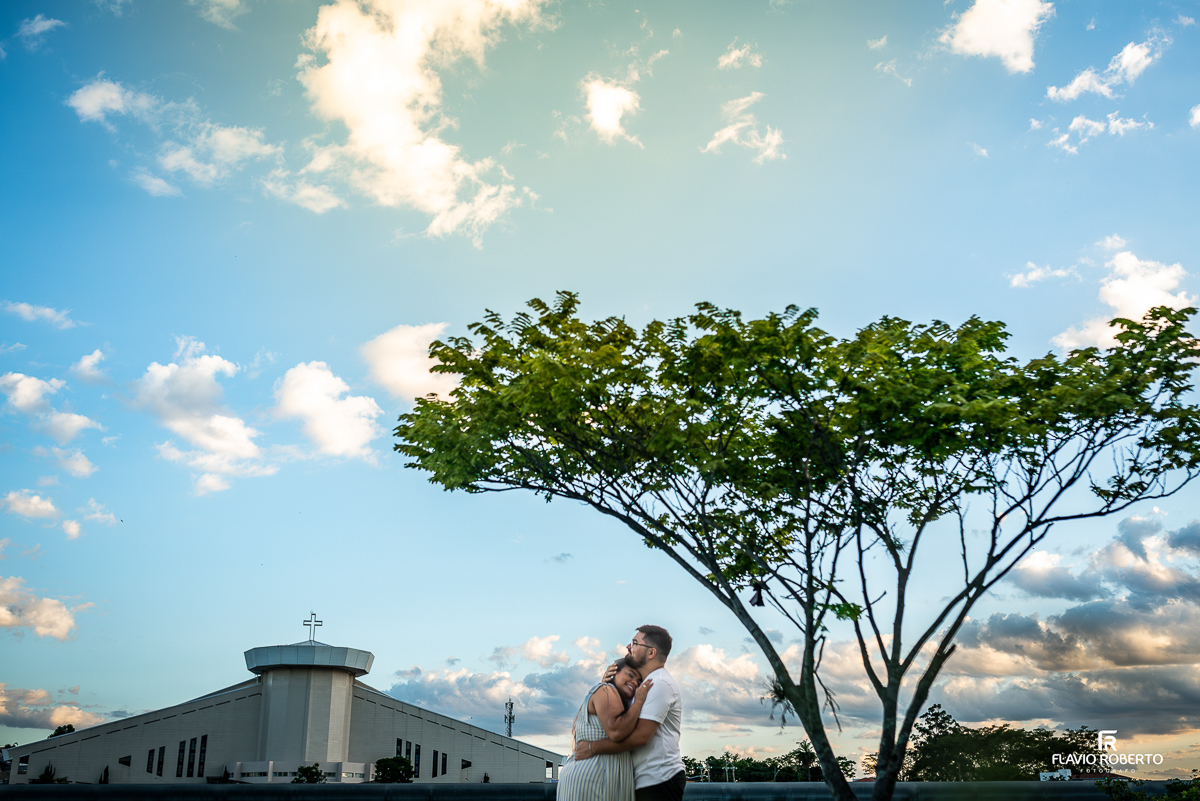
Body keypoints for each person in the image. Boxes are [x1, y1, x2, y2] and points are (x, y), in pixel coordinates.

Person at [575, 625, 685, 801]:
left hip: (659, 780)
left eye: (635, 643)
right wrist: (607, 686)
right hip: (644, 780)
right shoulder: (644, 685)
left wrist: (592, 748)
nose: (628, 647)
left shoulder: (660, 683)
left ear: (651, 653)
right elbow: (617, 718)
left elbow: (640, 736)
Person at [557, 657, 653, 801]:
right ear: (614, 672)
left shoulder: (613, 696)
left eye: (639, 682)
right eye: (630, 675)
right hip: (592, 781)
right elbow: (617, 731)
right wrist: (639, 701)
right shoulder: (606, 690)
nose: (635, 682)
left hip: (599, 780)